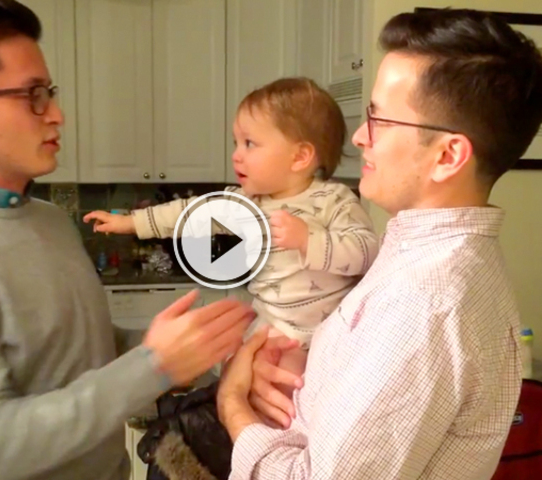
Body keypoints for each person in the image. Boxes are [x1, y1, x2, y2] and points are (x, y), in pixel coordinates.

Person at [0, 1, 254, 480]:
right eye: (33, 95)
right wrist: (154, 365)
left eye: (49, 92)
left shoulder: (46, 219)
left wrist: (190, 351)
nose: (57, 114)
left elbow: (80, 351)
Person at [216, 7, 542, 480]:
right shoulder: (419, 260)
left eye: (380, 120)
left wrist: (232, 403)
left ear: (447, 155)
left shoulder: (424, 302)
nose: (359, 136)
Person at [84, 77, 379, 384]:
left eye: (250, 143)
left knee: (286, 387)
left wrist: (309, 241)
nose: (236, 155)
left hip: (326, 337)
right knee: (231, 370)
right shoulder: (246, 202)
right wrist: (132, 222)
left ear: (300, 156)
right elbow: (188, 213)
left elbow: (366, 252)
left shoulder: (334, 199)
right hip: (269, 329)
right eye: (235, 143)